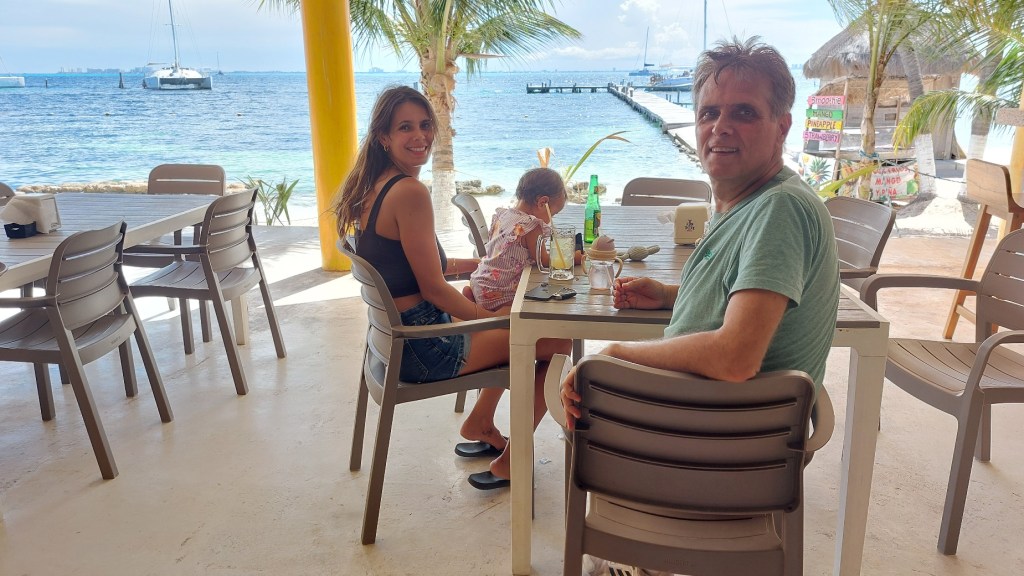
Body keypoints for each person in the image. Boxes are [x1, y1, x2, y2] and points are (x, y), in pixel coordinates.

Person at [561, 36, 840, 431]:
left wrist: (616, 355)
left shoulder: (781, 209)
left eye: (744, 112)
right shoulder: (747, 205)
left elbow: (735, 357)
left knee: (569, 388)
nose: (720, 127)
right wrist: (669, 296)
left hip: (712, 443)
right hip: (705, 425)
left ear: (782, 127)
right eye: (709, 113)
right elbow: (744, 300)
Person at [334, 85, 564, 490]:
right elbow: (435, 289)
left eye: (425, 125)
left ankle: (481, 422)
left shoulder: (374, 187)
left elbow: (422, 268)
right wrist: (490, 319)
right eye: (405, 127)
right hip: (426, 346)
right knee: (556, 342)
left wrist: (481, 265)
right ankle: (511, 459)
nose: (420, 136)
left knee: (521, 334)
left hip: (397, 340)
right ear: (384, 136)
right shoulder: (410, 192)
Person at [468, 167, 582, 311]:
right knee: (550, 306)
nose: (550, 220)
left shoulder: (503, 215)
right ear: (542, 202)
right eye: (553, 214)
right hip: (498, 293)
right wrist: (575, 258)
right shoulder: (531, 226)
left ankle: (475, 302)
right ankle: (498, 314)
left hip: (481, 282)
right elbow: (544, 261)